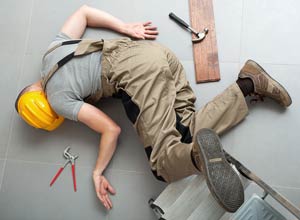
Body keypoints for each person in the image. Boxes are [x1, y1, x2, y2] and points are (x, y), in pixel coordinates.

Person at [15, 5, 292, 212]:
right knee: (187, 131)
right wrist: (126, 28)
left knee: (163, 165)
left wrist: (97, 172)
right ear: (32, 88)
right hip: (156, 54)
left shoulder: (60, 102)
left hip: (138, 77)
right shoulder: (52, 51)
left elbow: (110, 130)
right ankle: (249, 83)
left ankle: (199, 159)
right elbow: (84, 12)